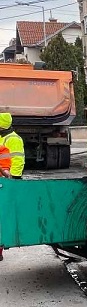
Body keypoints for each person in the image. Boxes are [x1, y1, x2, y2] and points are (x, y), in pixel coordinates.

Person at [0, 112, 25, 262]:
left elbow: (18, 160)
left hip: (7, 180)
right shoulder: (3, 137)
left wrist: (13, 179)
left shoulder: (13, 139)